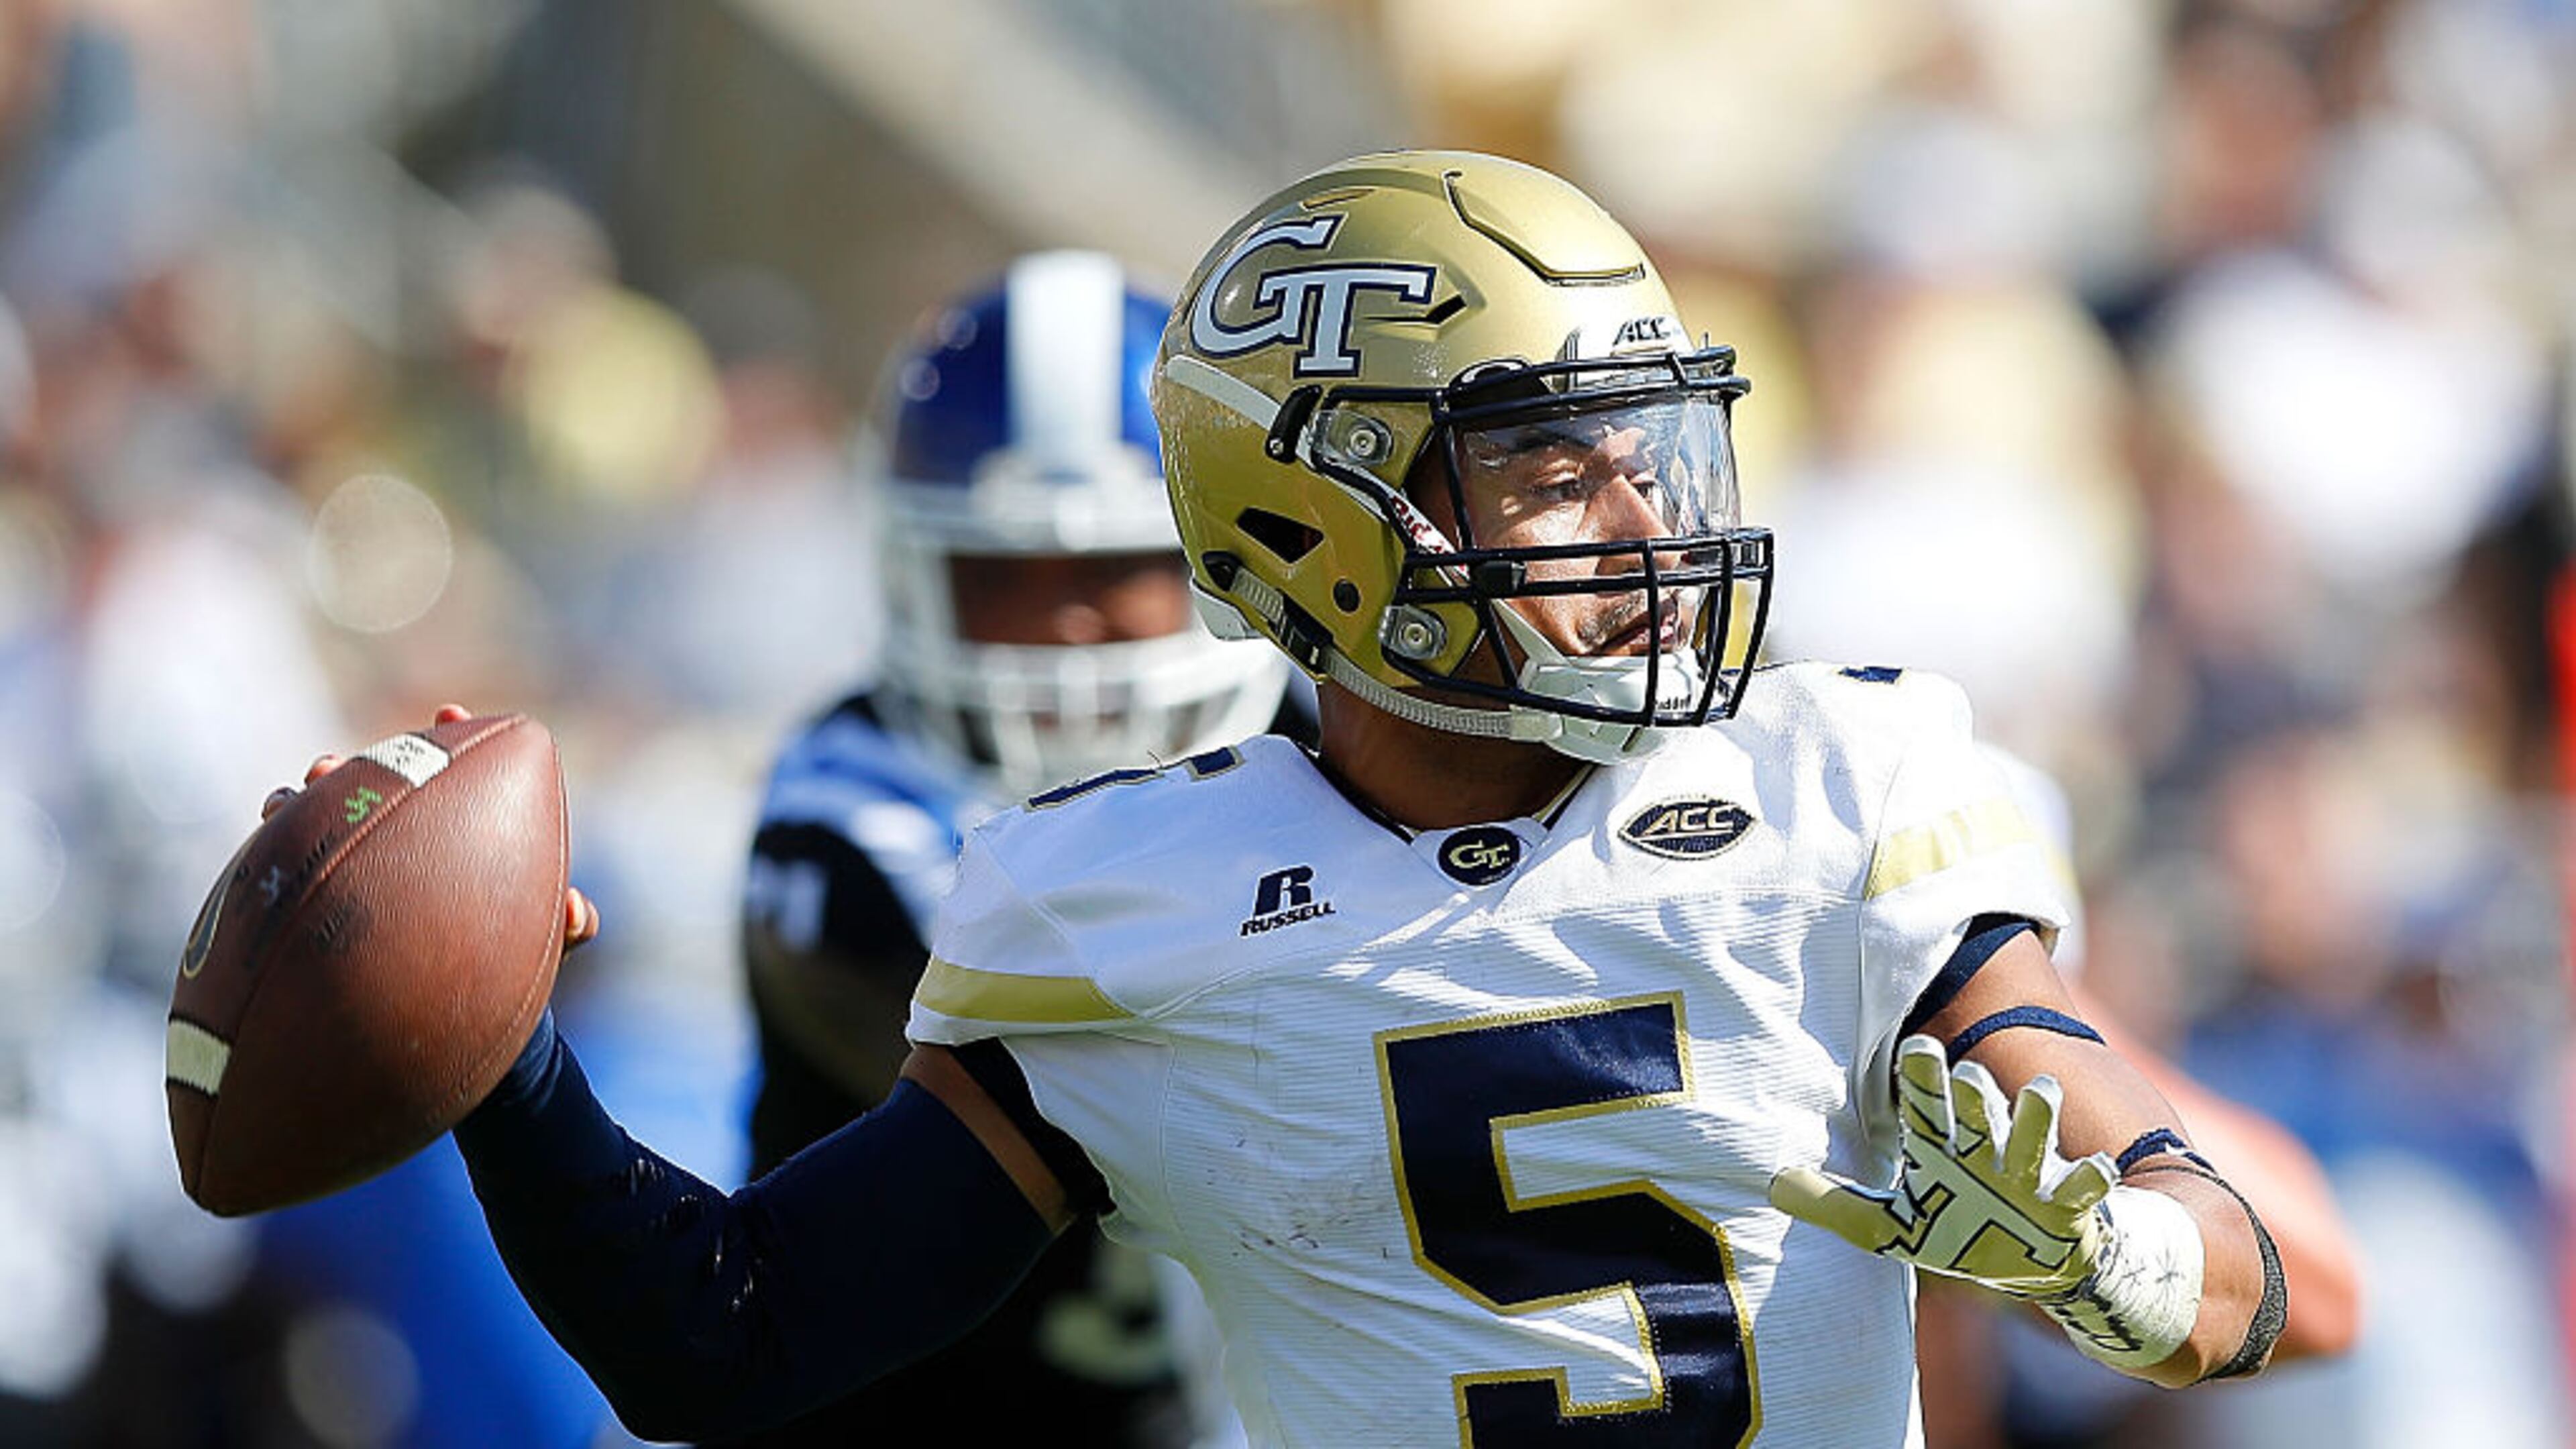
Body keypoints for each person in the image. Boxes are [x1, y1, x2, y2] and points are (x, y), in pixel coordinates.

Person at [261, 151, 2288, 1447]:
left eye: (1646, 456)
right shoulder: (1117, 902)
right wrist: (505, 1065)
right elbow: (730, 1345)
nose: (1642, 526)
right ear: (1330, 522)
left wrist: (2139, 1263)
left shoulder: (1841, 779)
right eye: (1554, 469)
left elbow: (2227, 1252)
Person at [728, 250, 1292, 1447]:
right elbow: (1103, 1040)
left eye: (1118, 570)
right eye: (1008, 580)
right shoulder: (844, 818)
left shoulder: (1332, 736)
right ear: (913, 575)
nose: (1068, 630)